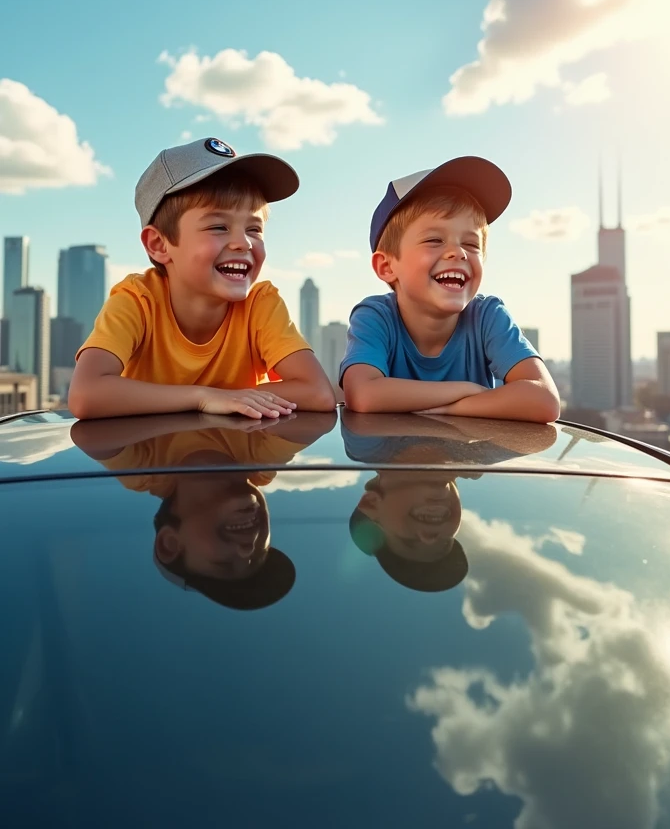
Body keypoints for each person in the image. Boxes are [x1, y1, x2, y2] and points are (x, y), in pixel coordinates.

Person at [68, 136, 336, 420]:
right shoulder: (137, 301)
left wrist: (228, 399)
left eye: (254, 229)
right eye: (219, 227)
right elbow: (86, 395)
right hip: (153, 462)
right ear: (159, 245)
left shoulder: (261, 305)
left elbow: (317, 393)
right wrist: (204, 397)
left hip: (241, 458)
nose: (243, 243)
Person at [340, 157, 560, 423]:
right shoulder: (375, 316)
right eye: (434, 240)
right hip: (397, 463)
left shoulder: (487, 316)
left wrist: (451, 409)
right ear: (386, 266)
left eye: (471, 244)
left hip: (466, 463)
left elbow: (544, 400)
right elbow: (363, 395)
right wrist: (466, 391)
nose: (457, 252)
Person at [71, 410, 338, 610]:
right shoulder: (263, 459)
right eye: (261, 555)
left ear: (170, 543)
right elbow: (317, 411)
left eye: (223, 564)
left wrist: (203, 399)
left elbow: (89, 427)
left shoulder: (141, 469)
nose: (247, 549)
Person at [342, 410, 557, 592]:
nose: (431, 536)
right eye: (445, 542)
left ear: (371, 503)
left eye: (409, 541)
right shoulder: (481, 451)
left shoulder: (365, 441)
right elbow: (543, 432)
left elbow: (367, 399)